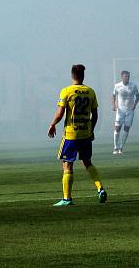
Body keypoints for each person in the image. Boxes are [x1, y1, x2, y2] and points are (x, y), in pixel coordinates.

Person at [48, 64, 107, 206]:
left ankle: (67, 198)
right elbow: (96, 115)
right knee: (87, 162)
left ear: (72, 75)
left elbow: (60, 113)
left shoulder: (67, 91)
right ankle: (100, 189)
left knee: (67, 165)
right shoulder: (90, 91)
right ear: (83, 76)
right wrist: (91, 130)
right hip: (86, 134)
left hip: (71, 134)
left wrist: (52, 124)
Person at [112, 70, 139, 155]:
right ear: (122, 77)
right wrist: (114, 105)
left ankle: (121, 148)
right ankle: (115, 147)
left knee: (126, 129)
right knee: (117, 129)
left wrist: (135, 105)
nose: (127, 78)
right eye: (125, 76)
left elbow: (138, 96)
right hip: (120, 111)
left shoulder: (133, 85)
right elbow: (113, 95)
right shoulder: (117, 86)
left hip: (130, 111)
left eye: (128, 76)